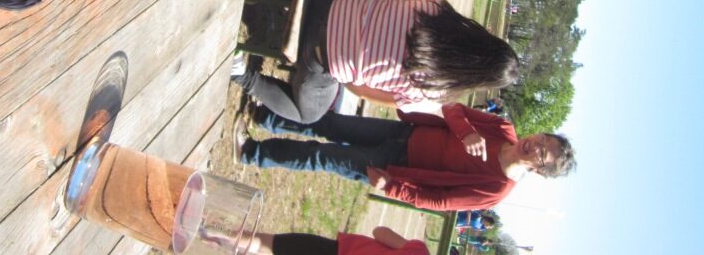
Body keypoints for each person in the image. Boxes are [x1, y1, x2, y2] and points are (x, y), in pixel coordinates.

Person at [233, 0, 521, 123]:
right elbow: (361, 91)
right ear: (479, 80)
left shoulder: (437, 8)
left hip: (329, 3)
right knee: (308, 115)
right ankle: (243, 75)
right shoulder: (432, 94)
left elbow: (391, 0)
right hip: (321, 55)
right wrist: (345, 61)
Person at [234, 101, 575, 211]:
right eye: (543, 139)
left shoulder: (496, 190)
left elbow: (440, 201)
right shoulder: (503, 128)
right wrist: (466, 131)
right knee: (330, 123)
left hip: (395, 168)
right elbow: (453, 109)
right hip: (402, 132)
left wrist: (392, 188)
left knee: (321, 156)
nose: (536, 145)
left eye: (543, 154)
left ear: (539, 170)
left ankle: (251, 152)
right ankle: (266, 115)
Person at [242, 226, 427, 255]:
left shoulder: (418, 252)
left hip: (337, 250)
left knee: (271, 244)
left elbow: (379, 232)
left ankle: (225, 233)